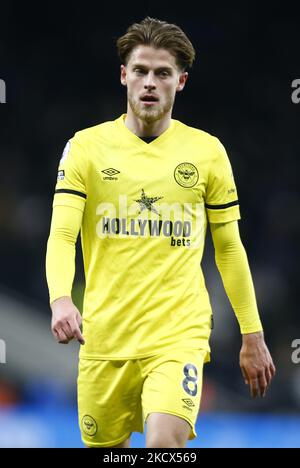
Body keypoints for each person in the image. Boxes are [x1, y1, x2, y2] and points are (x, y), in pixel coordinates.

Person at [46, 17, 276, 448]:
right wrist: (61, 299)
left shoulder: (207, 153)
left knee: (163, 447)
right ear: (124, 75)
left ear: (181, 81)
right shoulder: (85, 148)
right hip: (104, 340)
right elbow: (62, 235)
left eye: (162, 73)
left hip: (178, 334)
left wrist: (253, 334)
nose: (150, 83)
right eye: (141, 71)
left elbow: (229, 248)